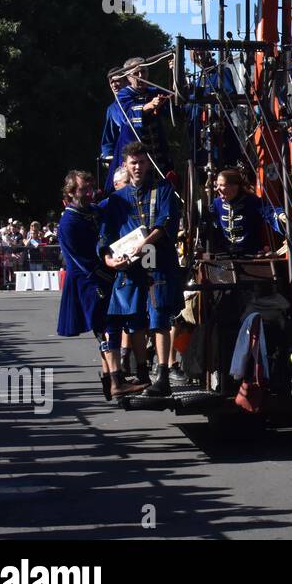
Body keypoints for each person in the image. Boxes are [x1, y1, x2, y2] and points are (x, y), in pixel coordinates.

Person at [100, 142, 185, 397]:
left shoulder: (163, 190)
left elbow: (165, 222)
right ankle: (140, 373)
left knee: (159, 317)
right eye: (133, 163)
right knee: (132, 320)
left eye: (142, 162)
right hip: (129, 267)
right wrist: (108, 260)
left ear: (149, 163)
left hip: (158, 263)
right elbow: (105, 235)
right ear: (125, 165)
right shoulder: (116, 199)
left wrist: (143, 245)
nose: (137, 167)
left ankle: (162, 376)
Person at [57, 171, 145, 399]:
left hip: (100, 277)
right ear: (70, 193)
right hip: (88, 282)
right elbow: (79, 259)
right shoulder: (69, 221)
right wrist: (107, 274)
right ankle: (117, 382)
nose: (89, 193)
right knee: (107, 326)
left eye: (90, 188)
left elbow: (111, 202)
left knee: (107, 327)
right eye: (83, 190)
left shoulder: (91, 211)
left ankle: (109, 380)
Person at [100, 58, 173, 195]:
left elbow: (175, 102)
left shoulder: (154, 91)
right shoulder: (123, 95)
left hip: (157, 156)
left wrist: (173, 73)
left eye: (144, 72)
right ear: (128, 76)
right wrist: (149, 106)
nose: (141, 76)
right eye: (137, 73)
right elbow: (127, 116)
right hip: (132, 156)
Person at [210, 168, 273, 254]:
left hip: (251, 253)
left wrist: (280, 215)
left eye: (221, 185)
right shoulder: (216, 203)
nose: (217, 189)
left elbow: (269, 211)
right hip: (226, 254)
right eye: (217, 185)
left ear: (234, 186)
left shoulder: (252, 201)